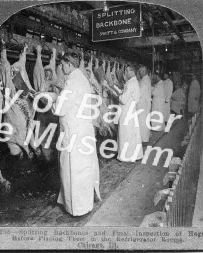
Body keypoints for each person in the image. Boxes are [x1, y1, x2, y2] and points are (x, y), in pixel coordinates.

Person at [41, 52, 101, 216]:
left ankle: (76, 208)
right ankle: (84, 203)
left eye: (62, 64)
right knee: (84, 169)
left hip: (73, 132)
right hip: (83, 130)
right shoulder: (81, 79)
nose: (61, 67)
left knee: (72, 170)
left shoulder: (73, 82)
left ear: (68, 64)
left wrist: (51, 99)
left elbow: (60, 109)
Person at [115, 65, 143, 162]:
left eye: (126, 71)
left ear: (131, 71)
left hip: (126, 112)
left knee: (126, 134)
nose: (125, 73)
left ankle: (126, 156)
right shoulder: (134, 82)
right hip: (131, 111)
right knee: (132, 134)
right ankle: (134, 155)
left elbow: (123, 99)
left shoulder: (130, 83)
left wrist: (118, 94)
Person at [137, 65, 152, 144]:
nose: (139, 73)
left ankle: (143, 140)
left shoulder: (144, 82)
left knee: (142, 122)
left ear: (142, 72)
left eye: (139, 72)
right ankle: (145, 139)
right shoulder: (146, 80)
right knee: (144, 122)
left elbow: (140, 94)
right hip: (145, 105)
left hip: (142, 105)